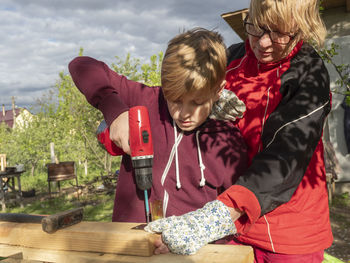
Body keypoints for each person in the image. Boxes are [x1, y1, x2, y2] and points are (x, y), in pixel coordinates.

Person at [145, 0, 333, 262]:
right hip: (232, 230)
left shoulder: (309, 75)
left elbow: (284, 160)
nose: (263, 43)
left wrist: (210, 221)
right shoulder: (230, 59)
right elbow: (176, 93)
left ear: (301, 28)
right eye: (256, 27)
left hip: (288, 235)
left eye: (279, 33)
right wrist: (117, 115)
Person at [69, 28, 247, 223]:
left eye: (197, 103)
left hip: (196, 251)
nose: (185, 113)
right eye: (176, 100)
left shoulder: (227, 141)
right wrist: (114, 110)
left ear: (218, 91)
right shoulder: (146, 101)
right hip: (130, 245)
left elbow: (235, 208)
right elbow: (81, 65)